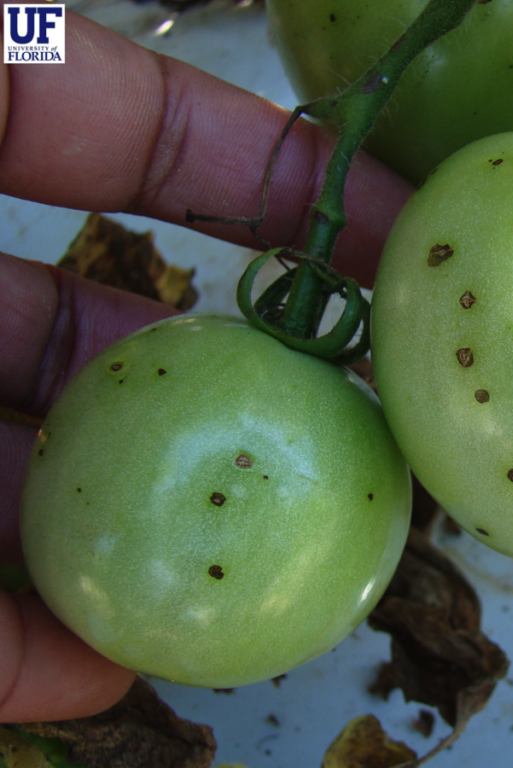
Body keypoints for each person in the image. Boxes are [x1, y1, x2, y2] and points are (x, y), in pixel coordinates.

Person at [0, 5, 413, 722]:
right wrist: (14, 24)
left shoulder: (180, 352)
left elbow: (26, 33)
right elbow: (22, 33)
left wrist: (16, 24)